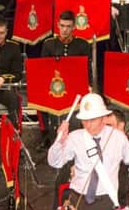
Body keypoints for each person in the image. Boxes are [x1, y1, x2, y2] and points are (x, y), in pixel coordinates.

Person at [19, 109, 129, 210]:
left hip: (111, 201)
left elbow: (124, 187)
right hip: (84, 194)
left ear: (122, 127)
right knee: (69, 203)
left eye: (111, 126)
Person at [39, 10, 91, 149]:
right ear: (57, 25)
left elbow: (86, 69)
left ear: (74, 27)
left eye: (68, 26)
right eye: (62, 25)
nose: (65, 29)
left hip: (75, 85)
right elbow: (43, 69)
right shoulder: (48, 44)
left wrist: (89, 85)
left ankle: (82, 136)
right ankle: (45, 136)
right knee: (39, 98)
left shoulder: (82, 45)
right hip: (53, 85)